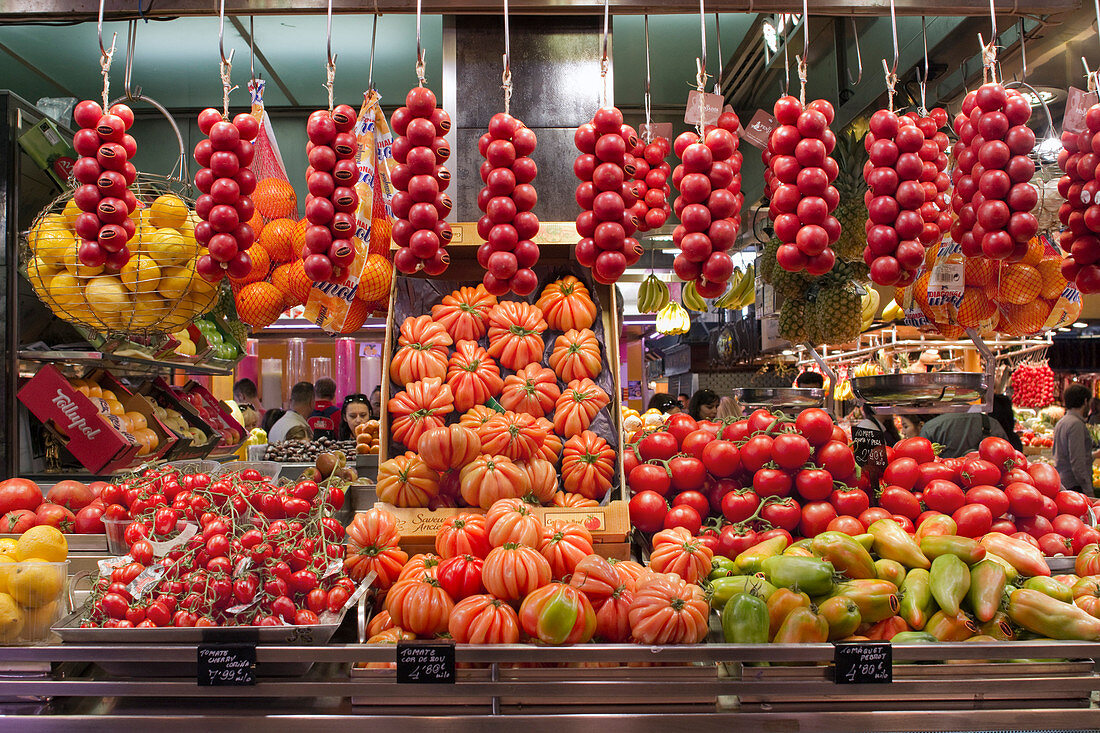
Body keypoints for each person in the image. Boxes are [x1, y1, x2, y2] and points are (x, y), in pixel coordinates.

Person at [1053, 383, 1100, 497]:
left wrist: (1093, 455)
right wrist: (1089, 491)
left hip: (1063, 480)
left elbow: (1066, 453)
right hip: (1074, 485)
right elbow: (1077, 462)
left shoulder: (1062, 421)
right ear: (1085, 401)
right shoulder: (1076, 425)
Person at [920, 409, 1009, 459]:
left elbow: (923, 461)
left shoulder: (931, 427)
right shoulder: (993, 424)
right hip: (988, 485)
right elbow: (1007, 458)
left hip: (944, 486)